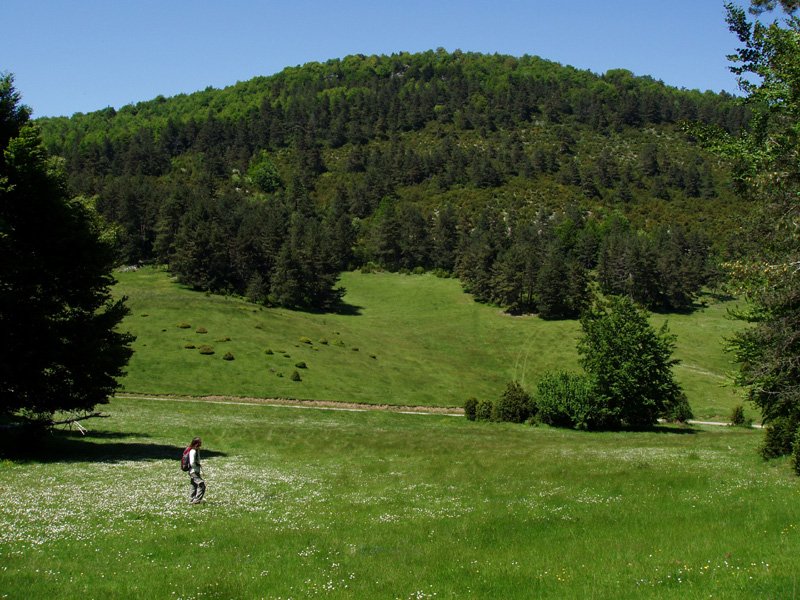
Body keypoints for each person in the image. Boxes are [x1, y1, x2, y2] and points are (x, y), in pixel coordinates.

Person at [187, 437, 206, 504]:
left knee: (194, 486)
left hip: (195, 471)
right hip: (193, 471)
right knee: (202, 484)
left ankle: (191, 500)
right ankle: (197, 500)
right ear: (196, 443)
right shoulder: (193, 451)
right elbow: (192, 462)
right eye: (200, 443)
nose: (201, 444)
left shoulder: (196, 450)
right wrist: (196, 465)